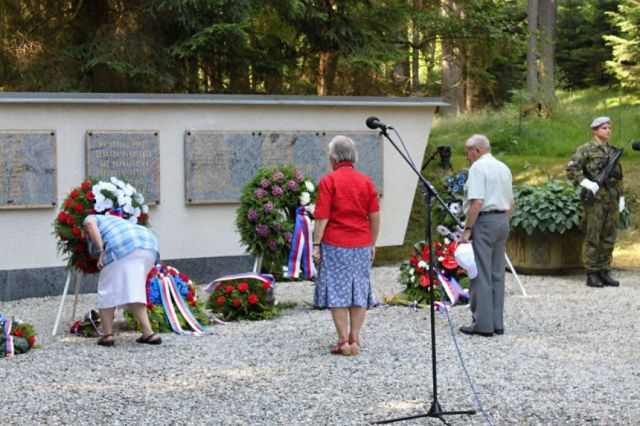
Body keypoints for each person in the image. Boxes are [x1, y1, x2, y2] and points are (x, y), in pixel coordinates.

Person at [312, 135, 380, 356]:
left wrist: (316, 244)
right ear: (354, 157)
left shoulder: (328, 181)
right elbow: (374, 216)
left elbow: (322, 217)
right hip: (361, 242)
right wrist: (372, 242)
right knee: (359, 288)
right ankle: (355, 339)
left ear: (332, 158)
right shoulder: (366, 181)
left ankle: (342, 341)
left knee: (338, 290)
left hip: (335, 243)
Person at [459, 134, 514, 337]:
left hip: (484, 221)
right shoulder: (503, 167)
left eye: (468, 152)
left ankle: (482, 324)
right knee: (497, 273)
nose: (467, 157)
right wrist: (503, 219)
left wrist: (467, 229)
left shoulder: (478, 168)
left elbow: (477, 202)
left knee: (481, 274)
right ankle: (497, 323)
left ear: (478, 150)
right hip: (502, 220)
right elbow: (511, 202)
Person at [83, 210, 162, 346]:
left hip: (122, 246)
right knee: (134, 290)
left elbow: (89, 223)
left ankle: (107, 335)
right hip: (149, 246)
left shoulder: (92, 217)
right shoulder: (118, 222)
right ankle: (149, 333)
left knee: (107, 289)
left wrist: (101, 251)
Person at [566, 116, 624, 288]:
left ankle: (604, 270)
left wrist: (621, 197)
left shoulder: (613, 152)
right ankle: (592, 273)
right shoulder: (586, 150)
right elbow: (571, 169)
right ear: (595, 130)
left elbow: (618, 177)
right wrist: (586, 183)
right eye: (604, 128)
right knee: (593, 236)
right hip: (595, 201)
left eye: (609, 128)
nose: (608, 131)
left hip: (611, 200)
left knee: (609, 236)